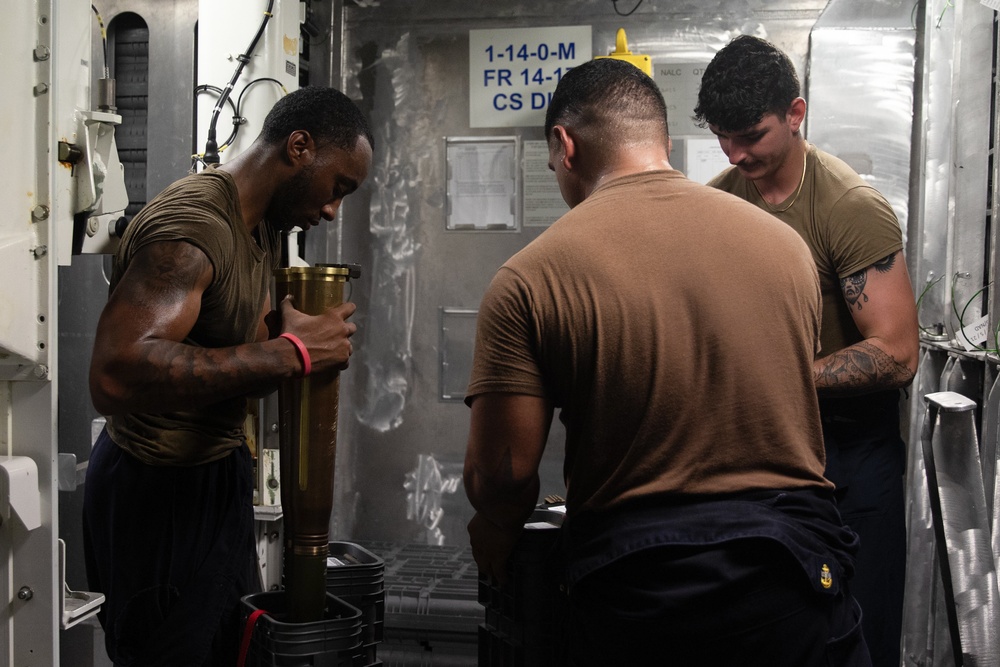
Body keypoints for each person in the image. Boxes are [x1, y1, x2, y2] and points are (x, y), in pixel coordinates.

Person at [463, 57, 870, 666]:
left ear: (563, 144)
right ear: (662, 139)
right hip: (793, 582)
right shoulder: (786, 249)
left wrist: (495, 528)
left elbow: (505, 475)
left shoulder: (530, 276)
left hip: (642, 592)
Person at [83, 86, 373, 667]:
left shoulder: (260, 225)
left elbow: (221, 352)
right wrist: (289, 353)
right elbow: (116, 372)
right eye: (337, 187)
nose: (331, 210)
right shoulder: (192, 230)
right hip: (158, 492)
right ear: (298, 147)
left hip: (214, 477)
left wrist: (277, 337)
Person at [694, 35, 919, 667]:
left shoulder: (847, 208)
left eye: (751, 136)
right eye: (722, 138)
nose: (737, 154)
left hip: (848, 459)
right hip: (757, 459)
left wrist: (775, 379)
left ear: (795, 114)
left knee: (859, 639)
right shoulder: (717, 204)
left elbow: (898, 353)